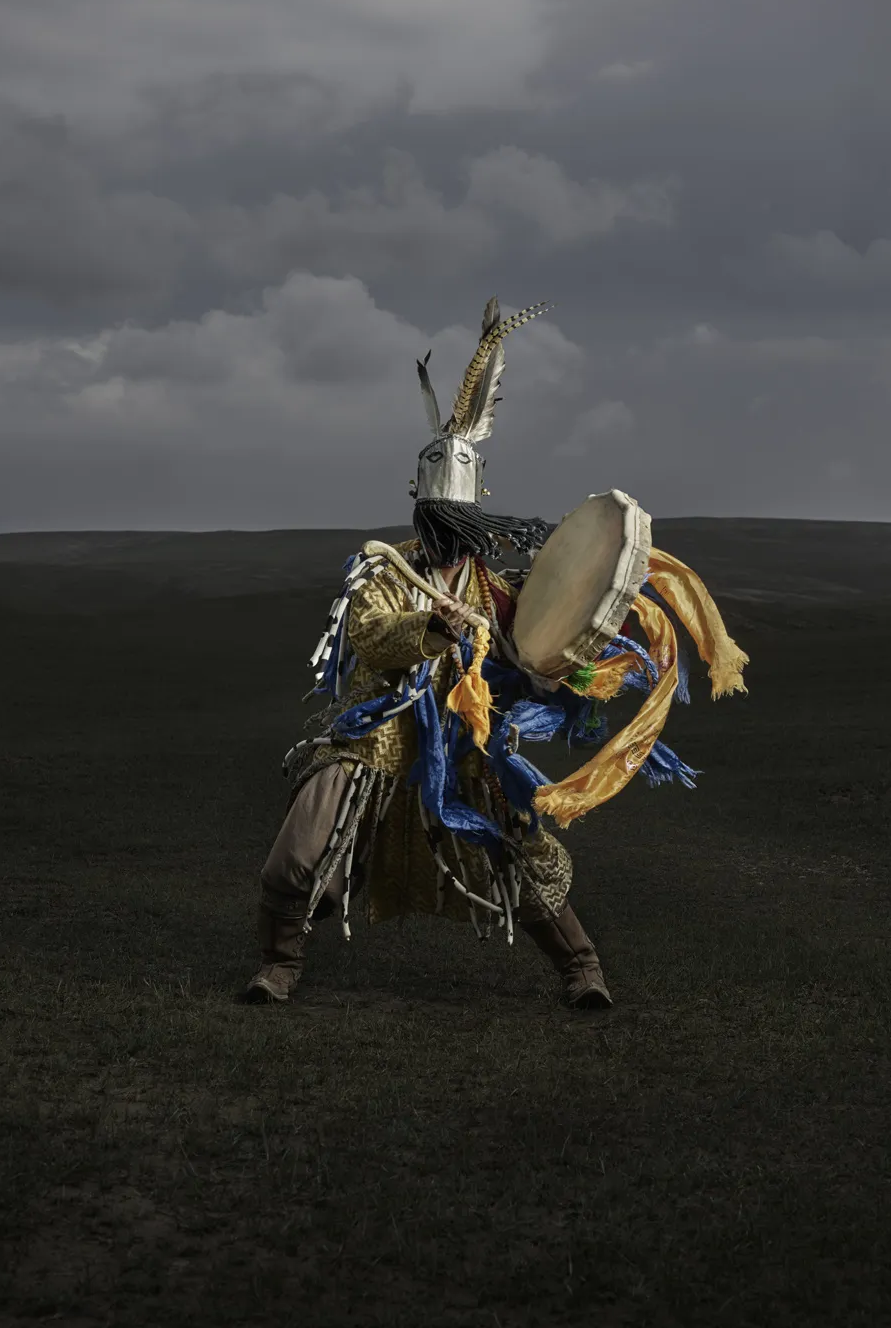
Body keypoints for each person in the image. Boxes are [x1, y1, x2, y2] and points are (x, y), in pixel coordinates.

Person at [242, 297, 749, 1009]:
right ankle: (278, 967)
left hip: (466, 737)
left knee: (518, 848)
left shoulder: (499, 588)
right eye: (437, 518)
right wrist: (433, 631)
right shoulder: (383, 570)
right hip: (372, 735)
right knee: (301, 851)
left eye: (459, 518)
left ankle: (581, 970)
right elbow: (368, 636)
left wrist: (577, 662)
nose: (449, 528)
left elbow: (530, 654)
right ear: (421, 510)